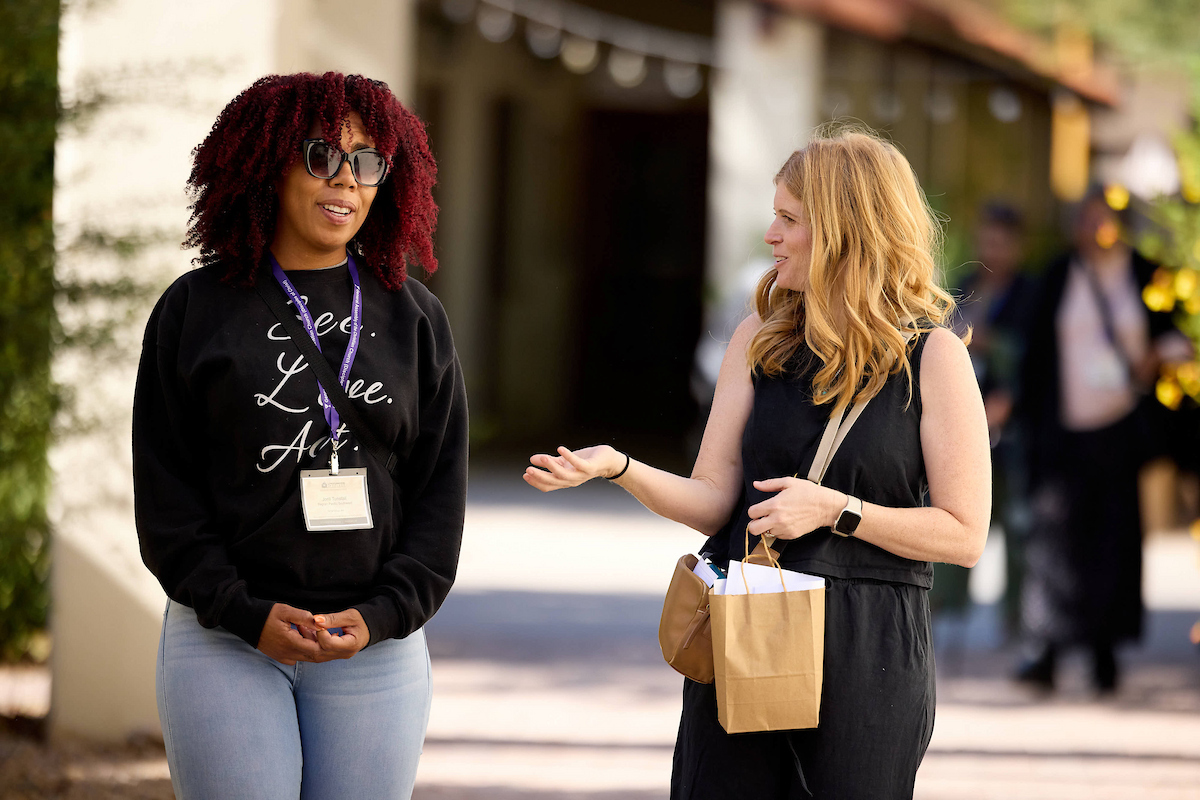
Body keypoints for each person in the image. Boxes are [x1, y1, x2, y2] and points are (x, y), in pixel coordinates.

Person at [525, 127, 990, 799]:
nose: (771, 235)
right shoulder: (759, 339)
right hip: (752, 621)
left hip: (869, 649)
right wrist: (620, 467)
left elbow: (964, 534)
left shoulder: (934, 358)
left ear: (844, 228)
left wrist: (837, 510)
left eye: (789, 219)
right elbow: (715, 498)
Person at [133, 72, 468, 799]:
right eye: (321, 156)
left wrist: (383, 615)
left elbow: (439, 494)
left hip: (373, 648)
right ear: (268, 164)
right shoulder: (194, 311)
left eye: (367, 161)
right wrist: (243, 613)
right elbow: (166, 500)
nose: (345, 179)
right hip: (224, 640)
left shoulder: (415, 318)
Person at [1015, 187, 1191, 693]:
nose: (1096, 229)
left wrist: (1153, 361)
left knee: (1113, 544)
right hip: (1062, 431)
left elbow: (1175, 338)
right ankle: (1045, 649)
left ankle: (1104, 653)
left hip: (1120, 430)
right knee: (1053, 542)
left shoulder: (1145, 272)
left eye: (1105, 219)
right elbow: (1034, 354)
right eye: (1088, 219)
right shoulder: (1057, 274)